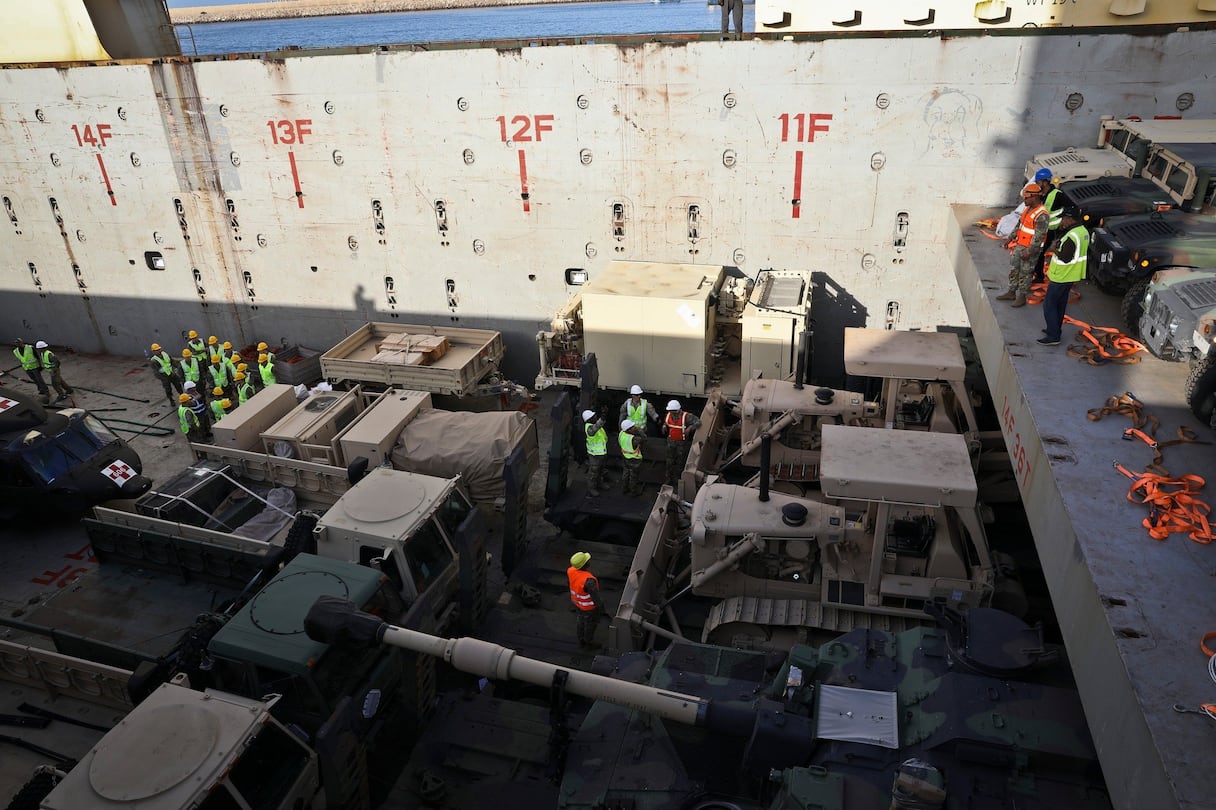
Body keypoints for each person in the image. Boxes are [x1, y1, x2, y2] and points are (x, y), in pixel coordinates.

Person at [1040, 207, 1088, 347]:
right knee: (1060, 305)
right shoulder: (1083, 232)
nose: (1062, 221)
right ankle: (1054, 330)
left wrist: (1054, 248)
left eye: (1064, 218)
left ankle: (1053, 335)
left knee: (1049, 305)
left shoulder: (1072, 236)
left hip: (1061, 276)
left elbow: (1066, 257)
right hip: (1070, 275)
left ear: (1070, 218)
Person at [997, 182, 1049, 308]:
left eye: (1026, 198)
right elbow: (1019, 226)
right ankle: (1011, 292)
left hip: (1029, 249)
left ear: (1034, 197)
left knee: (1026, 272)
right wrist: (1009, 239)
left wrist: (1029, 251)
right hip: (1020, 245)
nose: (1024, 200)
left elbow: (1039, 236)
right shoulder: (1027, 210)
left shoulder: (1041, 215)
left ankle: (1022, 296)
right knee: (1014, 268)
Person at [1032, 168, 1075, 284]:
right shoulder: (1041, 194)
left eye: (1038, 182)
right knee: (1037, 252)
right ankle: (1037, 274)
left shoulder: (1058, 195)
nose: (1037, 184)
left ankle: (1040, 277)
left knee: (1040, 253)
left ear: (1045, 182)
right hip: (1042, 229)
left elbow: (1072, 207)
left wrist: (1063, 222)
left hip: (1052, 231)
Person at [567, 551, 608, 651]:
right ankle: (589, 642)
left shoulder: (571, 570)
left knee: (580, 621)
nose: (589, 562)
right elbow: (596, 599)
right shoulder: (589, 581)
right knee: (590, 624)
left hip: (577, 603)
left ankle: (581, 640)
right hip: (589, 608)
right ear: (584, 565)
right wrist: (601, 609)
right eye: (586, 561)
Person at [662, 399, 700, 487]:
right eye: (669, 411)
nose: (670, 413)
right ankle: (668, 478)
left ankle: (678, 479)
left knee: (680, 461)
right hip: (671, 442)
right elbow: (666, 422)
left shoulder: (687, 416)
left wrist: (690, 428)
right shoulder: (669, 415)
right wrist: (664, 426)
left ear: (677, 410)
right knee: (669, 461)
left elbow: (698, 422)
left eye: (672, 411)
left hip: (681, 443)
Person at [582, 409, 607, 496]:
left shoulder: (594, 425)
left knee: (600, 470)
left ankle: (600, 483)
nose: (595, 417)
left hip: (601, 452)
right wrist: (601, 419)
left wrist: (602, 418)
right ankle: (591, 488)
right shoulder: (589, 428)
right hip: (594, 454)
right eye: (593, 417)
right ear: (589, 419)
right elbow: (594, 429)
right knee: (593, 472)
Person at [619, 419, 644, 497]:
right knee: (634, 476)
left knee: (626, 472)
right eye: (632, 427)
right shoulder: (633, 439)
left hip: (625, 456)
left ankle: (624, 488)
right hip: (634, 459)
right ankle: (634, 491)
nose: (634, 428)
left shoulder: (621, 434)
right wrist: (639, 430)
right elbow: (644, 439)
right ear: (628, 430)